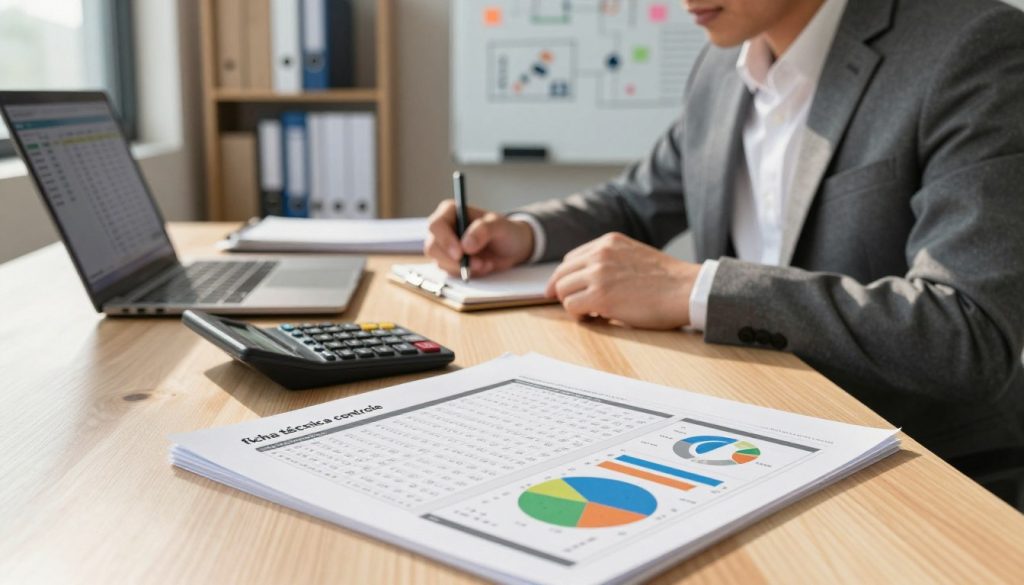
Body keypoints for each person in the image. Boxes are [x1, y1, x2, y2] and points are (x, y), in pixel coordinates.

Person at [425, 0, 1024, 502]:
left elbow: (969, 332)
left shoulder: (972, 47)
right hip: (746, 440)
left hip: (920, 468)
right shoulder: (722, 64)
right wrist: (523, 233)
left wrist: (698, 290)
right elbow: (638, 200)